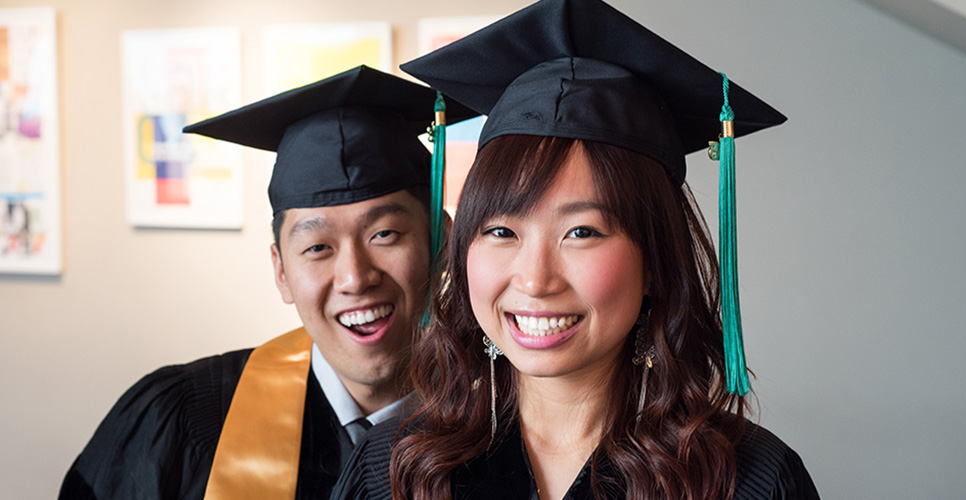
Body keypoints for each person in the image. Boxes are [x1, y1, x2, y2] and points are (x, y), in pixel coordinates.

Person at [331, 1, 819, 499]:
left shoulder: (746, 480)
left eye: (581, 232)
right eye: (501, 231)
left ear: (655, 260)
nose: (534, 279)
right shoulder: (393, 469)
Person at [59, 65, 474, 500]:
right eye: (318, 247)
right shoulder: (180, 423)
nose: (355, 278)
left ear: (442, 243)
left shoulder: (496, 435)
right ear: (281, 271)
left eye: (384, 234)